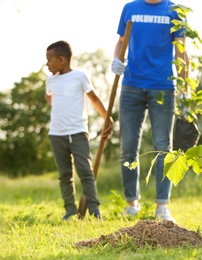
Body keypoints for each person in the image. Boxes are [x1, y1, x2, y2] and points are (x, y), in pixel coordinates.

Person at [111, 0, 188, 222]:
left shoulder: (175, 11)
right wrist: (116, 59)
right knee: (127, 147)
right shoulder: (130, 8)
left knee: (163, 148)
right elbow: (121, 42)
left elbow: (181, 52)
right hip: (131, 86)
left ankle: (162, 206)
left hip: (163, 87)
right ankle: (131, 204)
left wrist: (185, 88)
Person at [45, 40, 113, 220]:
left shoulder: (79, 77)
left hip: (78, 132)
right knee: (64, 174)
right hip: (56, 133)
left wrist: (106, 118)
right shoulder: (50, 80)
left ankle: (94, 209)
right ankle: (70, 210)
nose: (47, 64)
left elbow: (94, 99)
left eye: (49, 60)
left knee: (85, 172)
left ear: (61, 60)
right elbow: (49, 97)